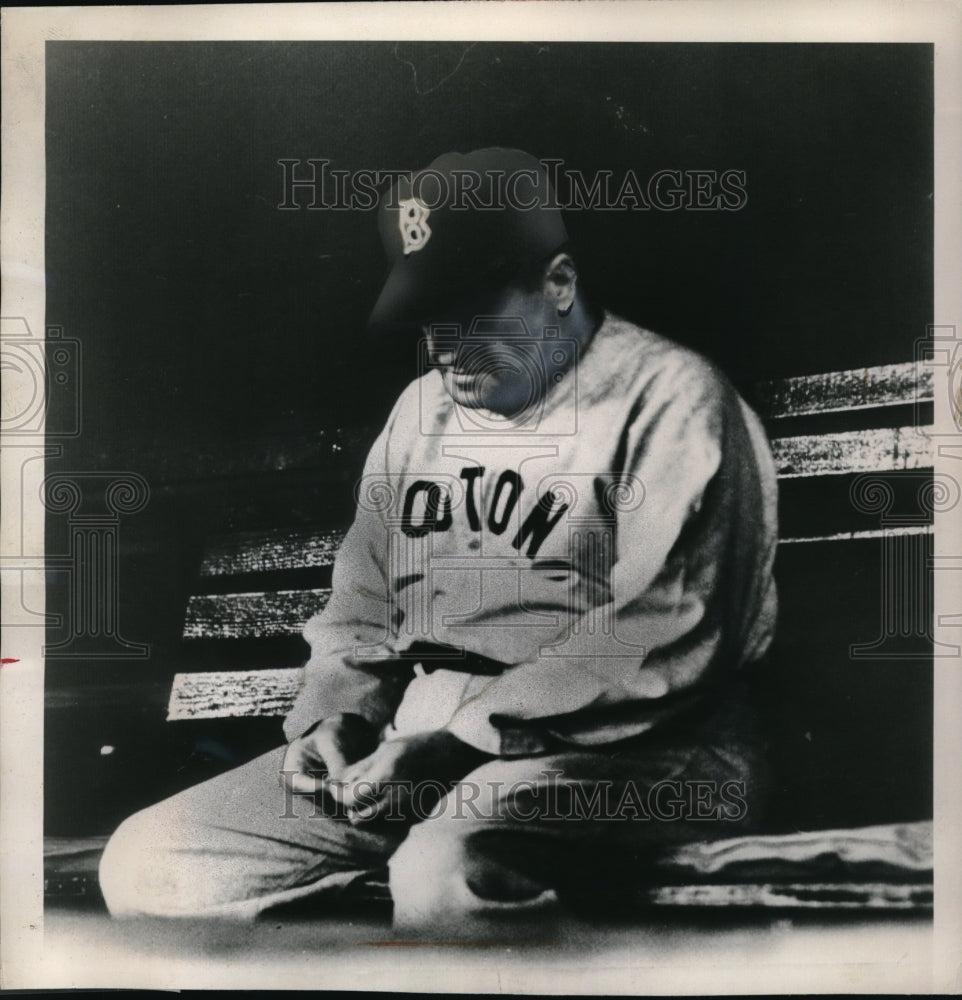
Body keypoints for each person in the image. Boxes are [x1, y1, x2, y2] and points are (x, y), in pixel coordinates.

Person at [100, 148, 778, 937]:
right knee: (155, 858)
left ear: (558, 284)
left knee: (445, 872)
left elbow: (666, 632)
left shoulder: (670, 397)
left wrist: (459, 742)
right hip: (419, 747)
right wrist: (335, 721)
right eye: (430, 319)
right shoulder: (421, 411)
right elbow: (362, 603)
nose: (447, 346)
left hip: (641, 749)